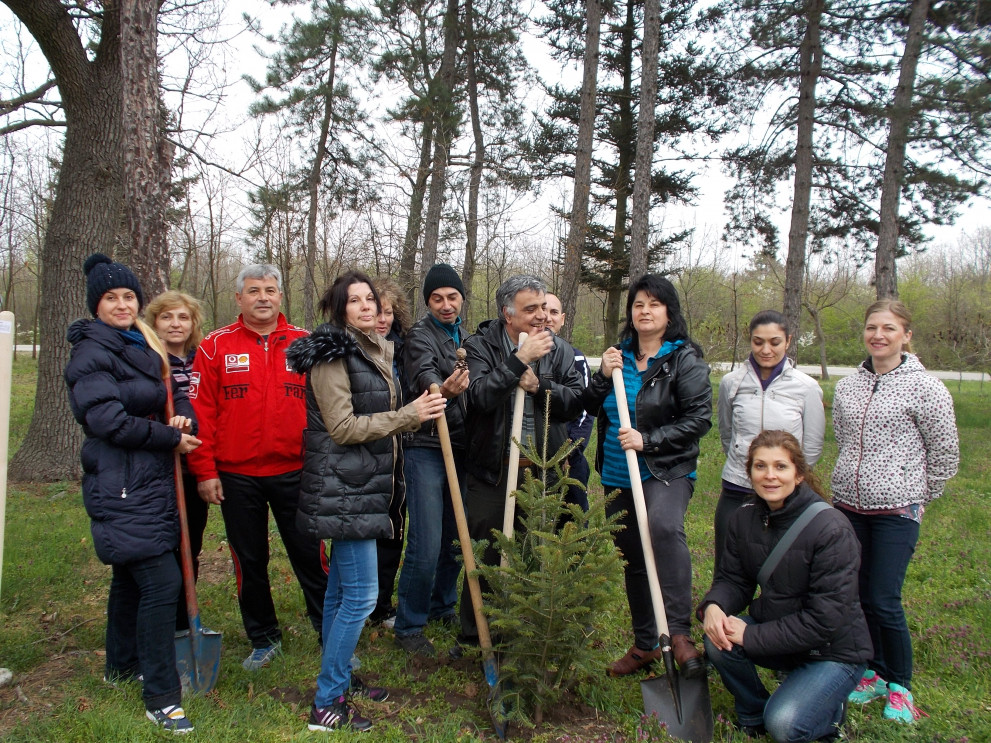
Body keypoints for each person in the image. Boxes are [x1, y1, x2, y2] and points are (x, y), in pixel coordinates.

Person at [286, 271, 447, 732]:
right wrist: (407, 415)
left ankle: (341, 677)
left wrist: (420, 411)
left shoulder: (372, 348)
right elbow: (343, 427)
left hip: (361, 485)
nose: (365, 306)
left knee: (340, 592)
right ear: (338, 309)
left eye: (369, 299)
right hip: (344, 489)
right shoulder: (333, 355)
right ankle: (326, 702)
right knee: (362, 596)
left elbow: (386, 414)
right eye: (353, 301)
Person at [65, 253, 201, 733]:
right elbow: (104, 420)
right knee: (161, 582)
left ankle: (120, 666)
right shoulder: (92, 352)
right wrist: (169, 437)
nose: (122, 304)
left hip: (147, 477)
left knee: (129, 578)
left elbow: (173, 388)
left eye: (128, 296)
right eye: (111, 297)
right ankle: (161, 696)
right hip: (120, 481)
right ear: (95, 305)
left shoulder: (139, 341)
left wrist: (182, 415)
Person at [186, 264, 329, 670]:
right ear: (239, 298)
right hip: (237, 476)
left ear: (281, 296)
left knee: (311, 555)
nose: (262, 297)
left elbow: (325, 405)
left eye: (270, 290)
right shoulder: (215, 346)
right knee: (249, 560)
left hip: (296, 471)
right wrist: (205, 471)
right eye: (253, 290)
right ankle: (264, 638)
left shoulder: (303, 343)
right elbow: (202, 413)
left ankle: (329, 632)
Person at [831, 299, 959, 724]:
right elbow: (843, 436)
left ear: (906, 335)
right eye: (871, 327)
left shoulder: (926, 388)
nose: (878, 336)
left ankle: (900, 685)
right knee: (857, 595)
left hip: (896, 511)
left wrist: (918, 495)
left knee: (884, 599)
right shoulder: (849, 385)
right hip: (848, 507)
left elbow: (945, 452)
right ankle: (873, 673)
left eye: (888, 328)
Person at [699, 430, 872, 742]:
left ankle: (829, 715)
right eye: (760, 466)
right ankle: (753, 712)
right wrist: (714, 606)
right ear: (749, 472)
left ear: (799, 474)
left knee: (784, 726)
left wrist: (751, 634)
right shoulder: (744, 518)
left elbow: (825, 621)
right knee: (717, 638)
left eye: (781, 467)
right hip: (781, 633)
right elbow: (734, 580)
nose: (770, 476)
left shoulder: (831, 529)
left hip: (834, 651)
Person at [583, 273, 711, 679]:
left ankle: (679, 634)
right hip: (619, 473)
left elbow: (699, 419)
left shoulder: (683, 359)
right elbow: (586, 403)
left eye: (654, 304)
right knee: (632, 555)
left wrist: (649, 439)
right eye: (638, 304)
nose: (645, 310)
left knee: (662, 528)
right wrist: (602, 375)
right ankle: (646, 644)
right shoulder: (617, 356)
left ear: (668, 312)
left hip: (666, 468)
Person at [458, 274, 584, 644]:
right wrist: (518, 361)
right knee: (486, 550)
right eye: (530, 309)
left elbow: (575, 402)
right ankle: (475, 634)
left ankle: (526, 631)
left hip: (541, 466)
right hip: (492, 468)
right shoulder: (479, 346)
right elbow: (479, 396)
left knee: (537, 548)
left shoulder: (558, 350)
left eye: (544, 308)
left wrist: (540, 385)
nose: (540, 317)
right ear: (507, 314)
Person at [393, 264, 470, 656]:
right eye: (437, 298)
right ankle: (409, 624)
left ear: (461, 298)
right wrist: (441, 389)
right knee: (426, 540)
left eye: (452, 297)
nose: (445, 304)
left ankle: (442, 606)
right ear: (427, 302)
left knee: (455, 538)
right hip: (425, 446)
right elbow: (423, 374)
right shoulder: (418, 337)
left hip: (461, 447)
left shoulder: (467, 337)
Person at [715, 309, 825, 575]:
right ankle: (722, 613)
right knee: (728, 562)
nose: (766, 349)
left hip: (785, 491)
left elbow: (811, 444)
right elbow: (727, 433)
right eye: (758, 341)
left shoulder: (806, 387)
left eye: (774, 342)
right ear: (750, 340)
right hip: (737, 485)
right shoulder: (731, 383)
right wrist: (747, 465)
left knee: (784, 566)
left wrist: (786, 476)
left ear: (788, 341)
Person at [145, 290, 209, 633]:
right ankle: (160, 619)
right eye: (167, 317)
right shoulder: (147, 361)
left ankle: (185, 620)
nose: (175, 324)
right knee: (162, 547)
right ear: (154, 323)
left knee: (190, 544)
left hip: (195, 466)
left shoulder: (201, 359)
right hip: (160, 466)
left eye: (183, 317)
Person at [367, 277, 414, 628]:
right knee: (361, 528)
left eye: (389, 312)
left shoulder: (405, 348)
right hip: (363, 447)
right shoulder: (352, 348)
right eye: (377, 311)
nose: (383, 319)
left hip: (399, 449)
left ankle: (381, 603)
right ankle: (358, 600)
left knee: (393, 526)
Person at [545, 292, 593, 513]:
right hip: (532, 456)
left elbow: (585, 409)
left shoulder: (576, 358)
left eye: (554, 312)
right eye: (543, 310)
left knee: (572, 516)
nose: (547, 317)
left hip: (568, 456)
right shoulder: (523, 354)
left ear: (562, 319)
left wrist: (571, 450)